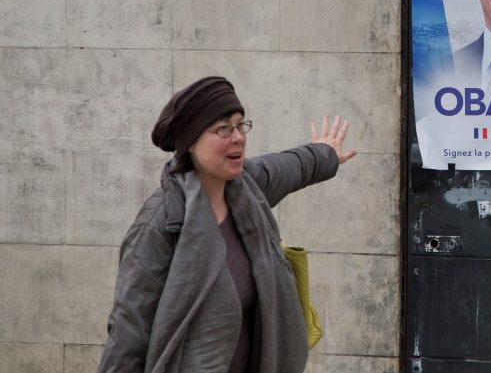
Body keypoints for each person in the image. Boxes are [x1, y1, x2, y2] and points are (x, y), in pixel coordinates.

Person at [97, 76, 356, 373]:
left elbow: (287, 167)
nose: (238, 137)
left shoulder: (245, 188)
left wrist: (326, 154)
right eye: (223, 129)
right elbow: (128, 337)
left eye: (240, 125)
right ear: (191, 141)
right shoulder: (160, 224)